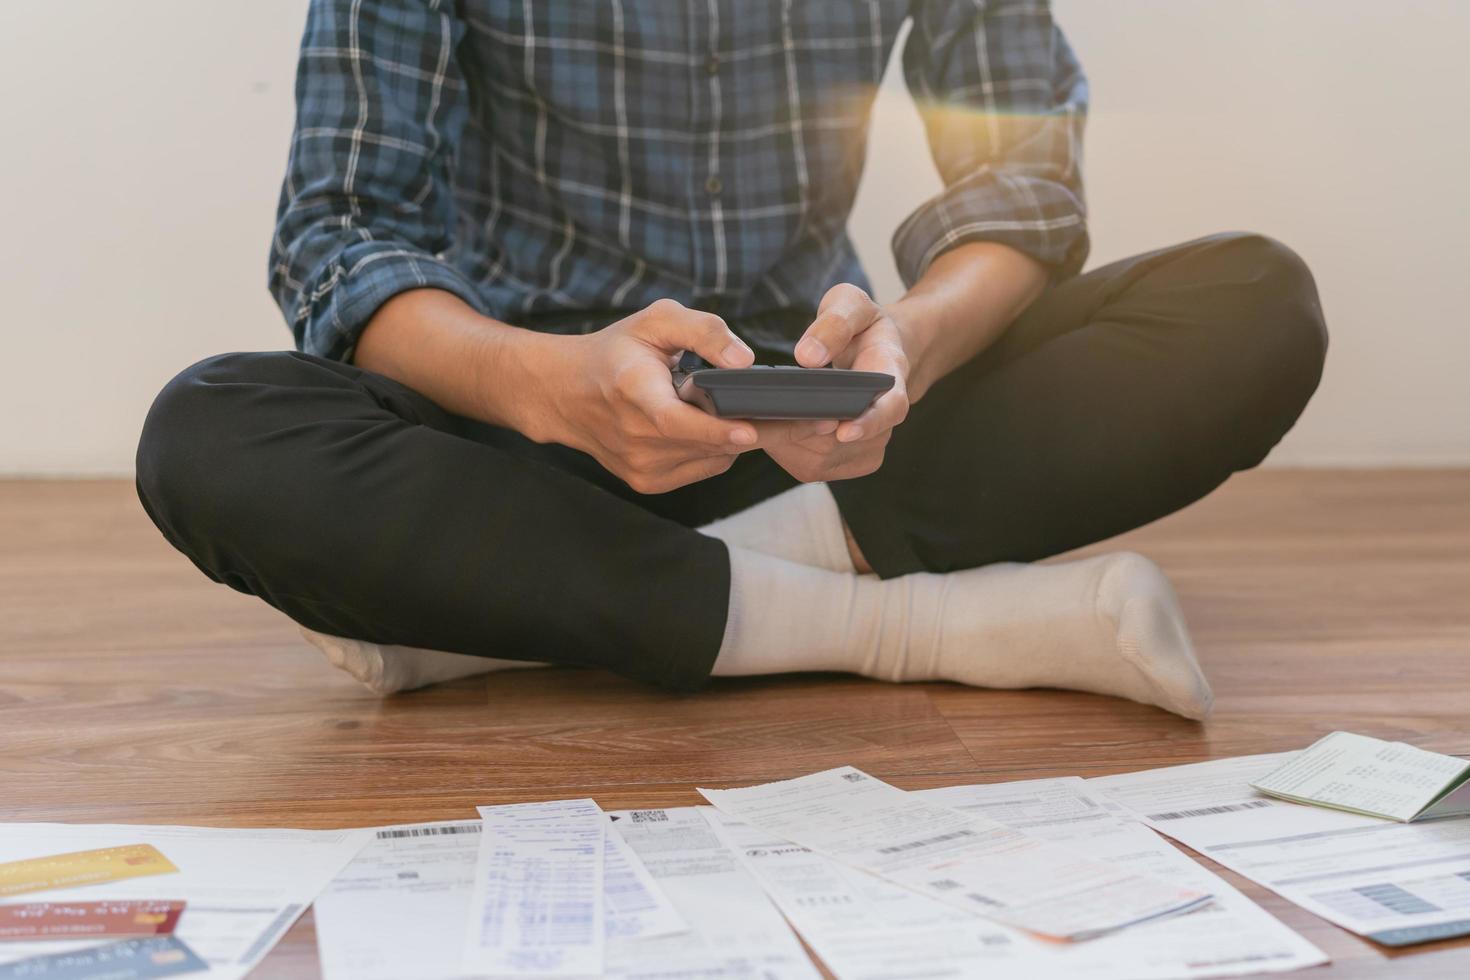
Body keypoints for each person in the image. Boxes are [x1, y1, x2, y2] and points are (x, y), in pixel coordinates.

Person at [136, 1, 1326, 719]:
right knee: (208, 429)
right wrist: (552, 385)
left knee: (1253, 301)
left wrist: (906, 337)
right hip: (523, 426)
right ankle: (905, 628)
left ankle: (505, 617)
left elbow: (1028, 183)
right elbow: (340, 234)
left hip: (818, 435)